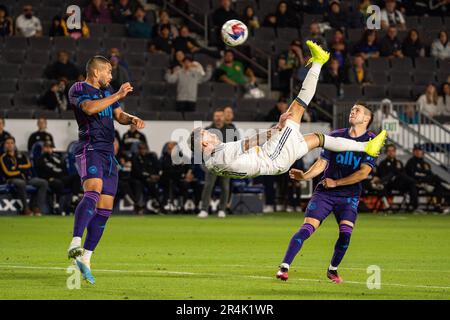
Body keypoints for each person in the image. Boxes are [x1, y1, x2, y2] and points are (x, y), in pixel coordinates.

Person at [189, 41, 387, 182]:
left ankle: (366, 148)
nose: (212, 134)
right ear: (205, 142)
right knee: (297, 107)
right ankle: (319, 61)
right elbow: (248, 142)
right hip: (273, 157)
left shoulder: (211, 160)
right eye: (207, 134)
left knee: (318, 138)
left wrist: (276, 129)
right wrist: (278, 129)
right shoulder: (220, 154)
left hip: (274, 160)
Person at [275, 96, 382, 284]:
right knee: (308, 228)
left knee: (345, 234)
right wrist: (305, 176)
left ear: (366, 119)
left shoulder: (372, 140)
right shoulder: (336, 135)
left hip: (349, 196)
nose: (352, 111)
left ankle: (332, 270)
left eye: (357, 110)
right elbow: (322, 163)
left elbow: (363, 173)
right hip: (325, 192)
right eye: (352, 108)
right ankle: (284, 267)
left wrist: (337, 183)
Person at [66, 55, 145, 284]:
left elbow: (118, 115)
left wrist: (132, 119)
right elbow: (90, 109)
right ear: (96, 72)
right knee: (94, 189)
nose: (111, 76)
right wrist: (118, 94)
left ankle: (86, 258)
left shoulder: (108, 89)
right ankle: (75, 243)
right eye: (108, 72)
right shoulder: (78, 88)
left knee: (106, 207)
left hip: (109, 154)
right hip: (90, 148)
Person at [0, 136, 48, 216]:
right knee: (21, 183)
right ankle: (26, 209)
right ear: (4, 145)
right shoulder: (3, 158)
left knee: (43, 183)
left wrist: (17, 168)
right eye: (7, 143)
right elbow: (8, 172)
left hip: (26, 178)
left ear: (14, 144)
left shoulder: (21, 155)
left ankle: (36, 208)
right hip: (11, 179)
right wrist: (21, 169)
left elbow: (28, 166)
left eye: (12, 143)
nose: (10, 145)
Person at [197, 109, 232, 219]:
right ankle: (204, 209)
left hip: (225, 163)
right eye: (216, 116)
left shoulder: (230, 130)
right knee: (208, 186)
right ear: (213, 117)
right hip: (211, 162)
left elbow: (234, 147)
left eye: (220, 116)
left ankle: (222, 209)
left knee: (225, 187)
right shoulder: (207, 130)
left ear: (223, 117)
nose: (218, 118)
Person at [35, 141, 81, 215]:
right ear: (43, 148)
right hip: (50, 179)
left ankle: (74, 200)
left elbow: (63, 168)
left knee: (76, 176)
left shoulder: (57, 157)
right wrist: (49, 177)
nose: (49, 149)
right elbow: (42, 170)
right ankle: (57, 206)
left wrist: (61, 172)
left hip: (62, 178)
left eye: (50, 147)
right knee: (58, 183)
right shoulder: (40, 159)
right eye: (46, 147)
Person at [405, 145, 449, 213]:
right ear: (413, 152)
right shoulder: (411, 162)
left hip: (426, 183)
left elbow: (429, 173)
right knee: (436, 179)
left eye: (420, 151)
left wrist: (426, 177)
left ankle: (438, 206)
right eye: (416, 151)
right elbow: (413, 174)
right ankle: (414, 207)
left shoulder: (425, 163)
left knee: (439, 185)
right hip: (417, 183)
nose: (418, 152)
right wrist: (424, 177)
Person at [377, 144, 418, 212]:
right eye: (389, 151)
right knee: (395, 173)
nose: (391, 152)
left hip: (398, 183)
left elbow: (404, 174)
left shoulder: (399, 163)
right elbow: (382, 177)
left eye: (392, 151)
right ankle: (387, 207)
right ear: (386, 152)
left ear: (395, 152)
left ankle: (413, 206)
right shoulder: (383, 163)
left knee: (411, 185)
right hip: (388, 184)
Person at [131, 142, 161, 214]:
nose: (143, 151)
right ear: (139, 150)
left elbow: (157, 167)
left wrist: (155, 175)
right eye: (141, 149)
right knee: (139, 185)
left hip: (151, 179)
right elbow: (137, 171)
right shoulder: (135, 158)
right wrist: (149, 176)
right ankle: (139, 205)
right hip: (139, 178)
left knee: (153, 184)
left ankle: (158, 203)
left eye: (144, 149)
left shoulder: (152, 156)